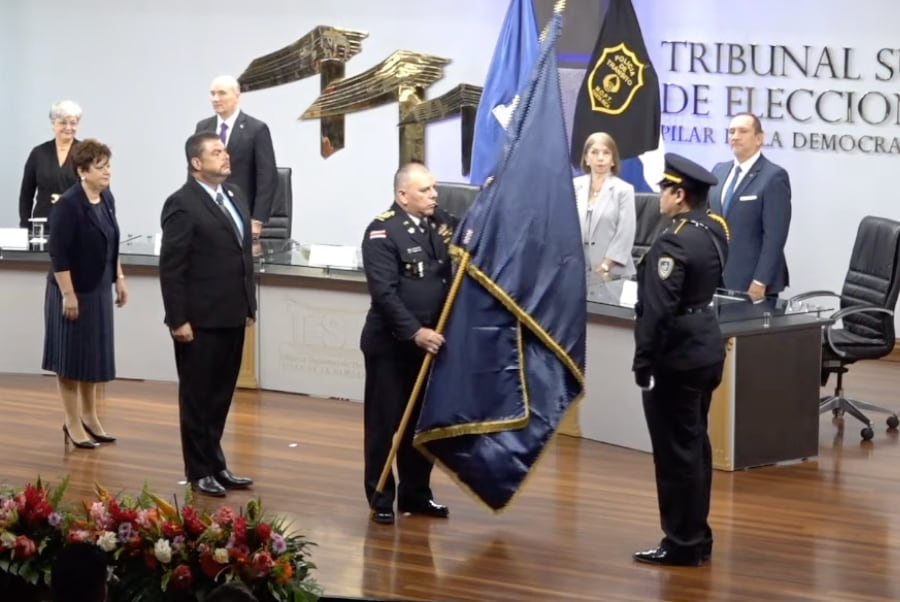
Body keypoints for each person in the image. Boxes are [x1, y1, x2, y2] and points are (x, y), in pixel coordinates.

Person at [632, 153, 730, 567]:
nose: (660, 198)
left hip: (677, 359)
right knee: (694, 449)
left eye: (664, 190)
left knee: (675, 456)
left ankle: (682, 542)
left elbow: (657, 311)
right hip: (706, 346)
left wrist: (643, 363)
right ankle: (697, 535)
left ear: (679, 194)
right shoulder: (715, 229)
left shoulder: (673, 241)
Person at [159, 132, 256, 497]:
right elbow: (172, 267)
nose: (225, 156)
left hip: (232, 313)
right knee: (198, 398)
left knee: (220, 397)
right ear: (196, 163)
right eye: (216, 152)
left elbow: (241, 256)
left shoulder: (235, 195)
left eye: (225, 150)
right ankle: (198, 469)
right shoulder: (181, 203)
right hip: (199, 320)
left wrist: (249, 305)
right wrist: (177, 319)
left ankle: (216, 464)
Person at [360, 162, 456, 525]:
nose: (434, 195)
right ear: (403, 196)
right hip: (393, 345)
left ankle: (416, 494)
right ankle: (381, 495)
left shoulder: (438, 224)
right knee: (385, 424)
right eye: (425, 190)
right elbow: (384, 294)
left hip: (431, 345)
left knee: (421, 427)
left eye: (434, 188)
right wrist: (416, 332)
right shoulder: (382, 232)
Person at [44, 139, 126, 449]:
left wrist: (119, 278)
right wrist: (69, 295)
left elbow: (111, 241)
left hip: (98, 288)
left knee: (92, 359)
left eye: (109, 166)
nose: (107, 173)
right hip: (72, 293)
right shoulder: (68, 204)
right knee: (71, 360)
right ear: (82, 171)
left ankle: (91, 417)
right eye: (101, 167)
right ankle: (72, 421)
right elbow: (59, 255)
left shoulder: (106, 198)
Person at [707, 112, 791, 300]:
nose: (735, 136)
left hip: (751, 281)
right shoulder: (718, 170)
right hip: (715, 279)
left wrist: (761, 280)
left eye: (743, 131)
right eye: (731, 132)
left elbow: (775, 236)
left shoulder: (773, 177)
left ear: (759, 138)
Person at [195, 74, 277, 240]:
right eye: (212, 94)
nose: (215, 99)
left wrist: (258, 220)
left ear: (237, 95)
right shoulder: (203, 127)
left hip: (241, 213)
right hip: (207, 214)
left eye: (222, 93)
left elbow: (267, 177)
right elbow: (196, 170)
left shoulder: (256, 129)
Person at [573, 132, 636, 279]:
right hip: (578, 271)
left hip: (613, 273)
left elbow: (625, 234)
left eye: (606, 153)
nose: (600, 158)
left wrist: (605, 266)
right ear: (587, 159)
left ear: (613, 160)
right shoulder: (575, 186)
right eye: (594, 152)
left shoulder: (624, 190)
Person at [18, 100, 82, 230]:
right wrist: (25, 226)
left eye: (73, 123)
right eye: (63, 122)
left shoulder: (86, 153)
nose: (68, 127)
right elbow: (26, 194)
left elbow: (98, 191)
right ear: (53, 124)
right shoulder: (38, 153)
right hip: (43, 227)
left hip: (78, 227)